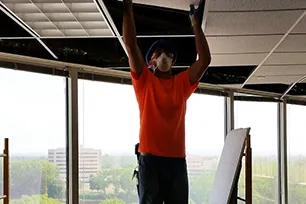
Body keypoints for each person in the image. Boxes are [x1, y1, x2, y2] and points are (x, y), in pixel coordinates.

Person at [122, 0, 211, 203]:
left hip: (176, 162)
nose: (164, 56)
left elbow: (204, 60)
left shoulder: (181, 83)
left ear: (174, 61)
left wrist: (195, 24)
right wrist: (127, 8)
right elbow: (130, 45)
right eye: (158, 53)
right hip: (150, 160)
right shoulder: (144, 81)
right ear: (150, 61)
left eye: (168, 54)